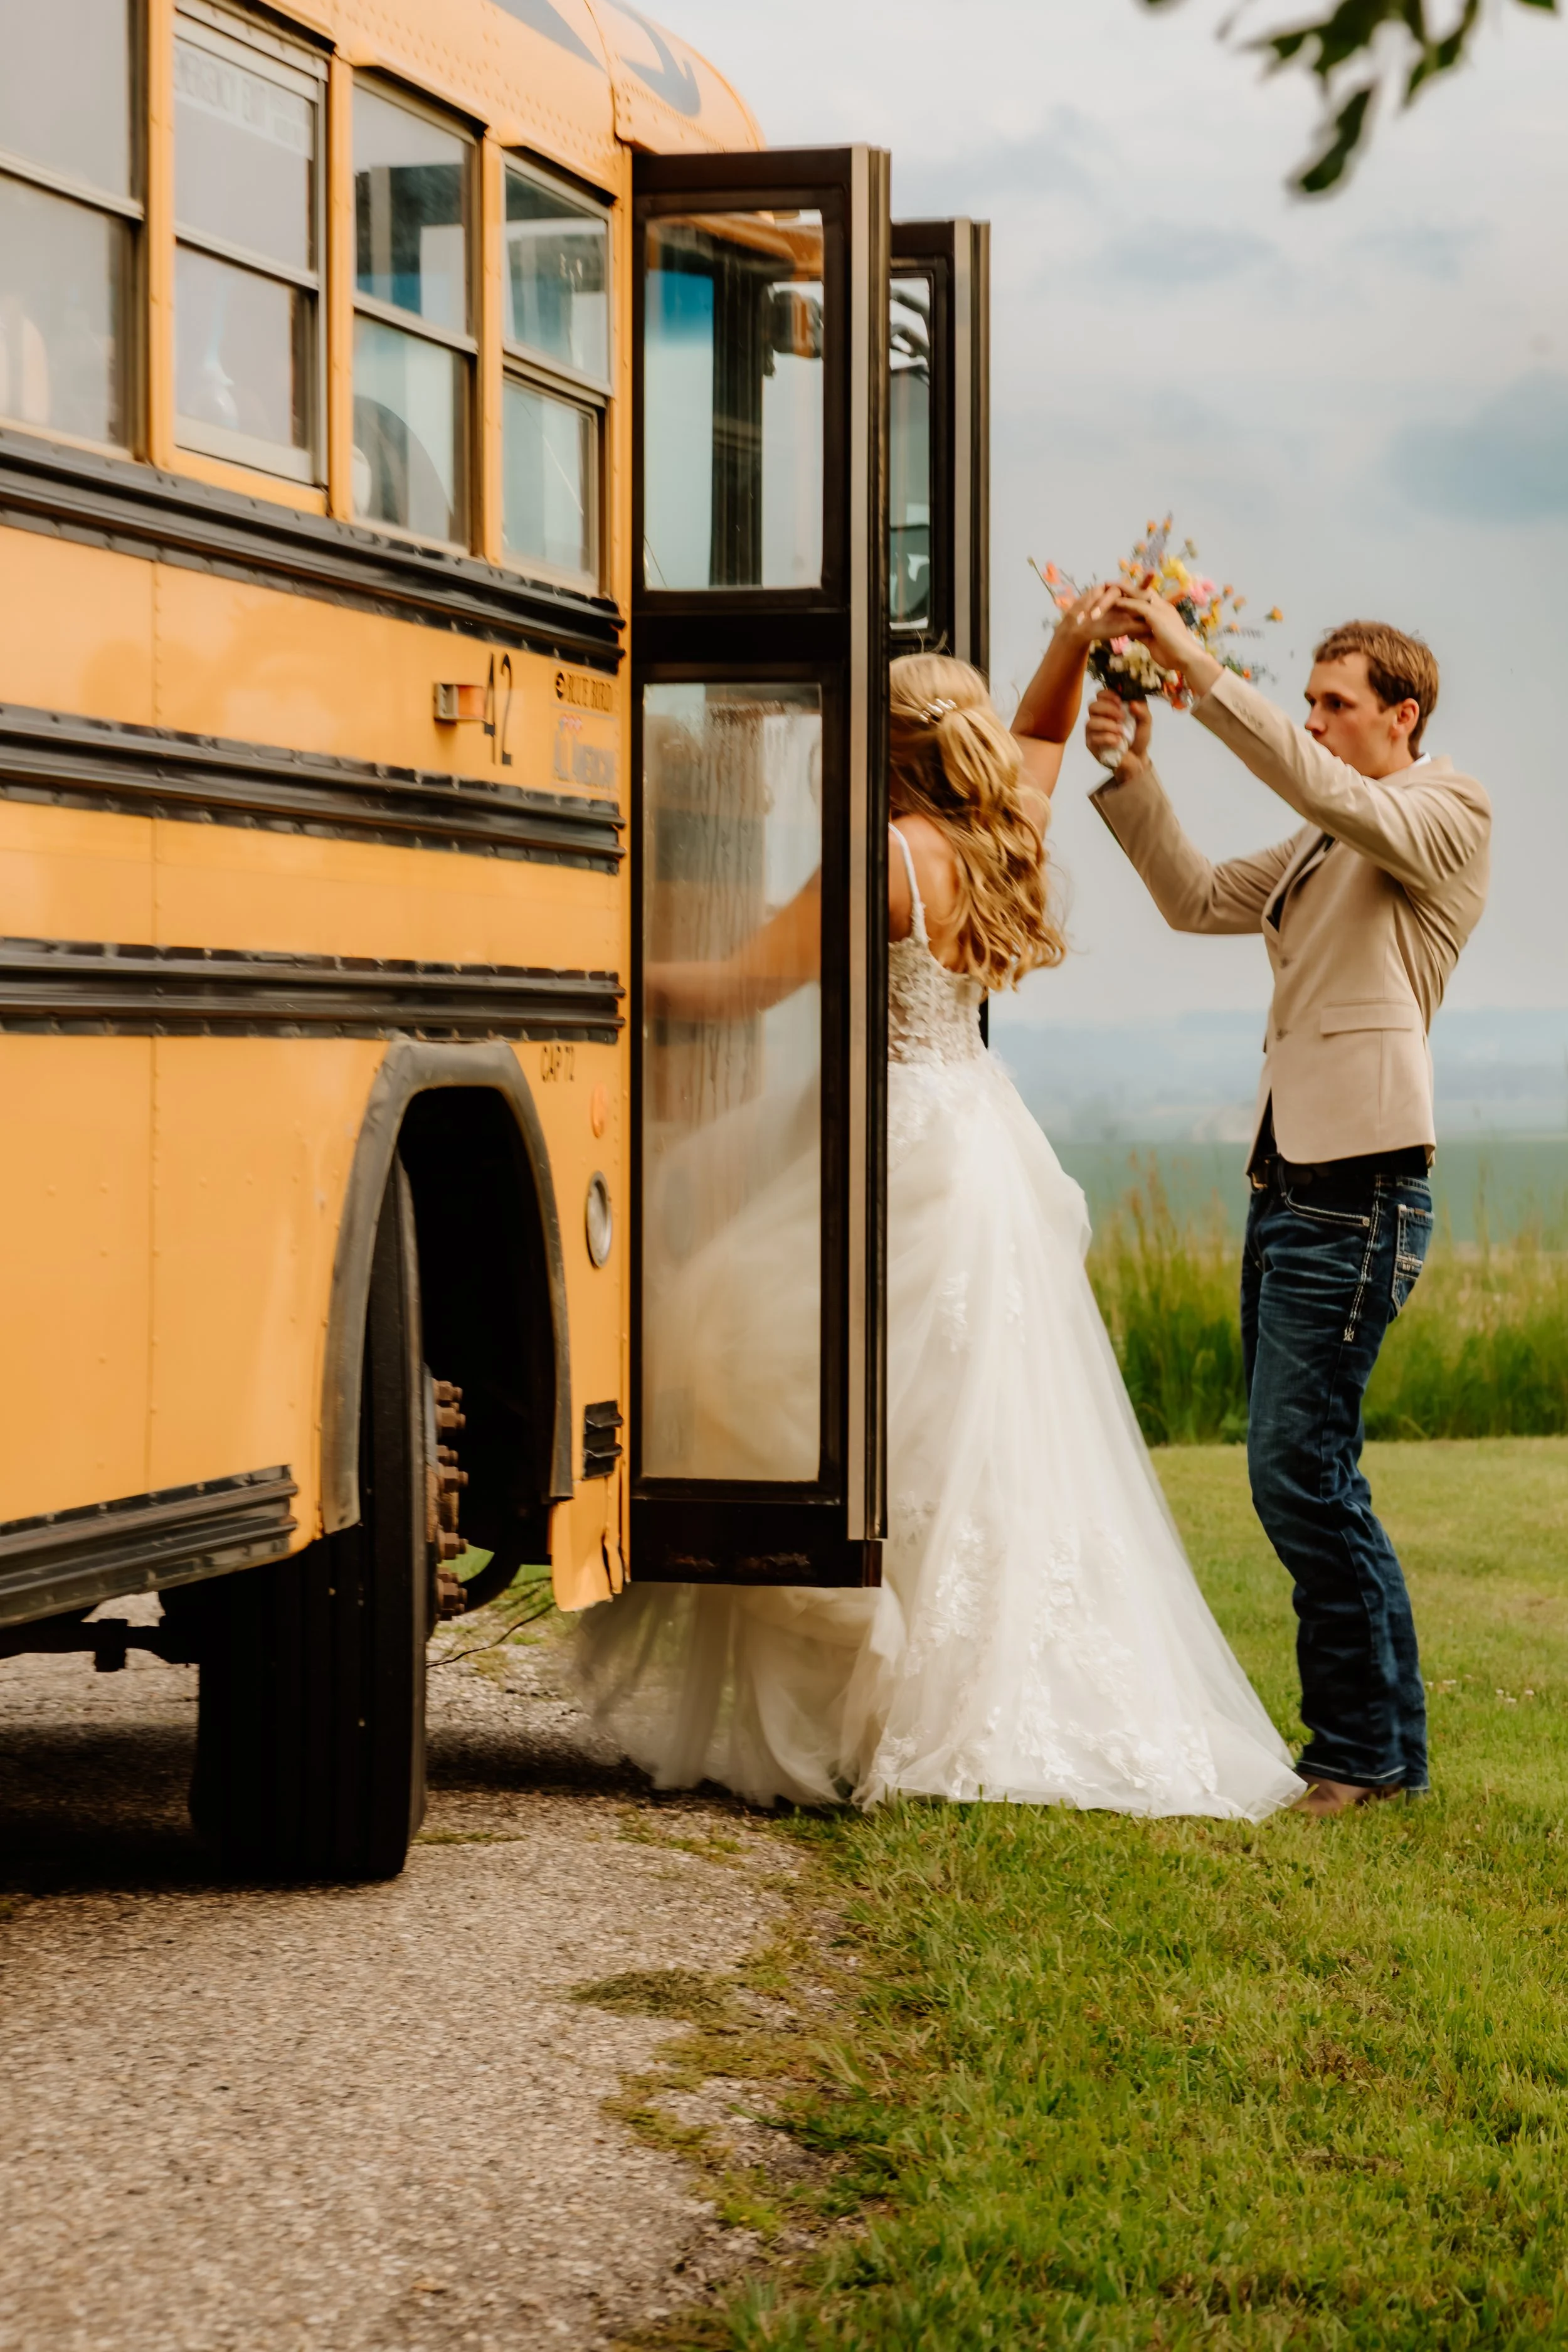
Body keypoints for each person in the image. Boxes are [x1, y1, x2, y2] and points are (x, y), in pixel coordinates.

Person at [575, 596, 1303, 1821]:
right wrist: (1072, 645)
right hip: (976, 1138)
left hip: (898, 1149)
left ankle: (881, 1659)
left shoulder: (889, 858)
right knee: (957, 1420)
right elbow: (1039, 738)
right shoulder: (1004, 833)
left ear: (887, 750)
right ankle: (931, 1676)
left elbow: (738, 989)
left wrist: (583, 967)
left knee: (735, 1341)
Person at [1084, 605, 1491, 1815]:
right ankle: (1385, 1756)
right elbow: (1198, 896)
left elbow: (1329, 792)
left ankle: (1356, 1756)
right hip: (1291, 1188)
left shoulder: (1446, 811)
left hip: (1362, 1192)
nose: (1314, 722)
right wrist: (1136, 774)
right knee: (1305, 1474)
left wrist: (1199, 672)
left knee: (1299, 1473)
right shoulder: (1327, 835)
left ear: (1402, 715)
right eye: (1305, 702)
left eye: (1334, 703)